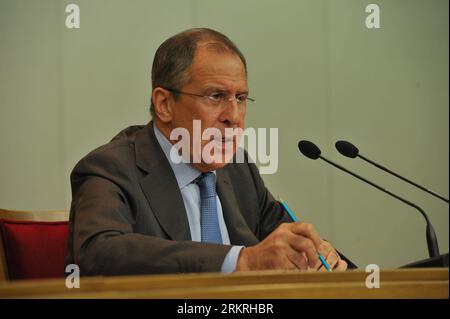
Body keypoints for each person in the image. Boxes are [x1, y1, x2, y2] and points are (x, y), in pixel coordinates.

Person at [65, 28, 349, 276]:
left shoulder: (238, 170)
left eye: (240, 98)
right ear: (164, 104)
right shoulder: (110, 168)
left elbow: (285, 244)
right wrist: (240, 261)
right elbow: (98, 253)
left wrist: (317, 255)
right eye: (215, 96)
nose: (234, 116)